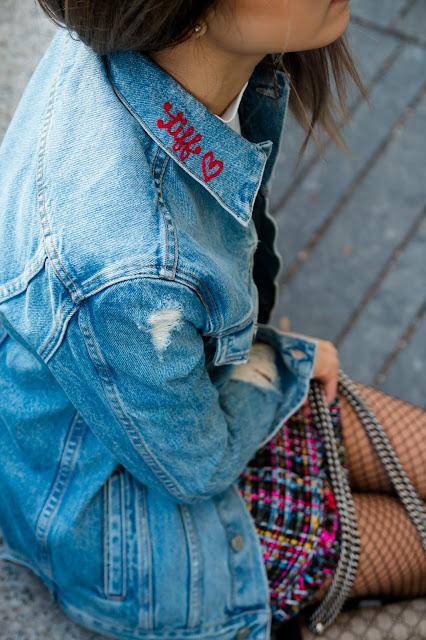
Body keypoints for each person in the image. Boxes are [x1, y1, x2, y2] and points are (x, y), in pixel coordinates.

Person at [0, 1, 425, 639]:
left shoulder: (174, 56)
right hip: (135, 529)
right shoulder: (129, 265)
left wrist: (270, 358)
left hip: (183, 407)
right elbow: (195, 468)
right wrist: (279, 361)